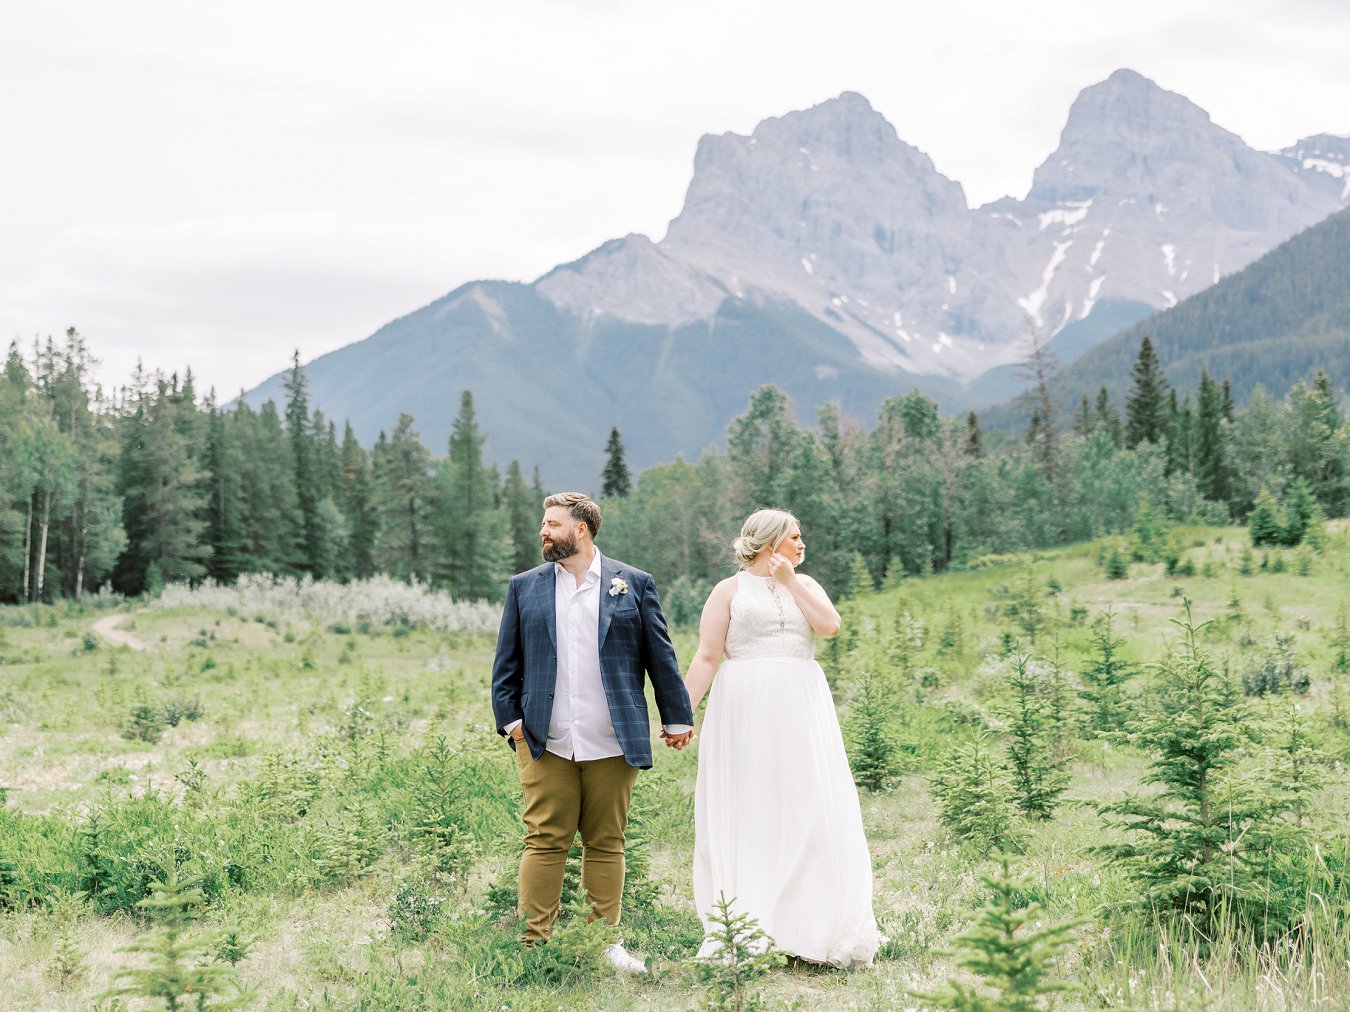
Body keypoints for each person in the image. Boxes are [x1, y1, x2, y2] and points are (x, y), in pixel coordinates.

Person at [490, 491, 694, 973]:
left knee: (606, 841)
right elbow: (506, 664)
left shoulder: (633, 584)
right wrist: (512, 723)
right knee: (545, 839)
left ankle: (603, 944)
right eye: (543, 522)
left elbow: (658, 654)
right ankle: (534, 945)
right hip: (546, 737)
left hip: (613, 735)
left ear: (580, 529)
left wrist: (677, 715)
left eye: (552, 523)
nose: (543, 530)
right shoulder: (525, 587)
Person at [681, 508, 881, 967]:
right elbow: (708, 657)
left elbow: (829, 627)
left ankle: (811, 925)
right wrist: (681, 714)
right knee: (749, 804)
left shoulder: (805, 584)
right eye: (795, 537)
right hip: (743, 707)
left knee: (807, 802)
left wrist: (791, 581)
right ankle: (749, 923)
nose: (802, 544)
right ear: (770, 542)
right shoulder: (727, 591)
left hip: (800, 703)